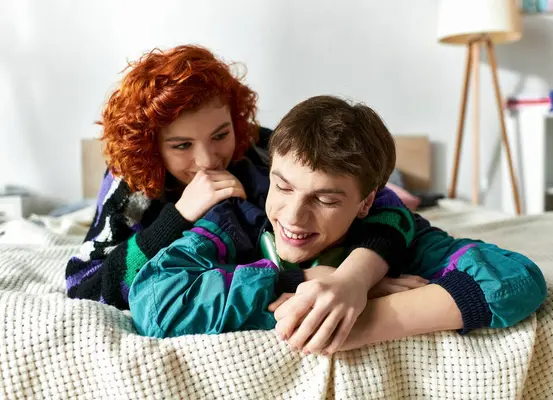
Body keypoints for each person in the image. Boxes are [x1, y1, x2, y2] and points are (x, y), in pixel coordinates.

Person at [65, 45, 408, 311]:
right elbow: (83, 285)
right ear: (150, 145)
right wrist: (178, 216)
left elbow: (383, 204)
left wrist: (356, 278)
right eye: (182, 145)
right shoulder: (131, 186)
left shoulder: (259, 146)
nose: (208, 159)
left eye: (220, 134)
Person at [128, 96, 416, 357]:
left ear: (366, 203)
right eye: (282, 187)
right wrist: (298, 280)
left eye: (326, 200)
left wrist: (356, 280)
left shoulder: (384, 221)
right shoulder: (233, 219)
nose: (294, 217)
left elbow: (398, 213)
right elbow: (151, 301)